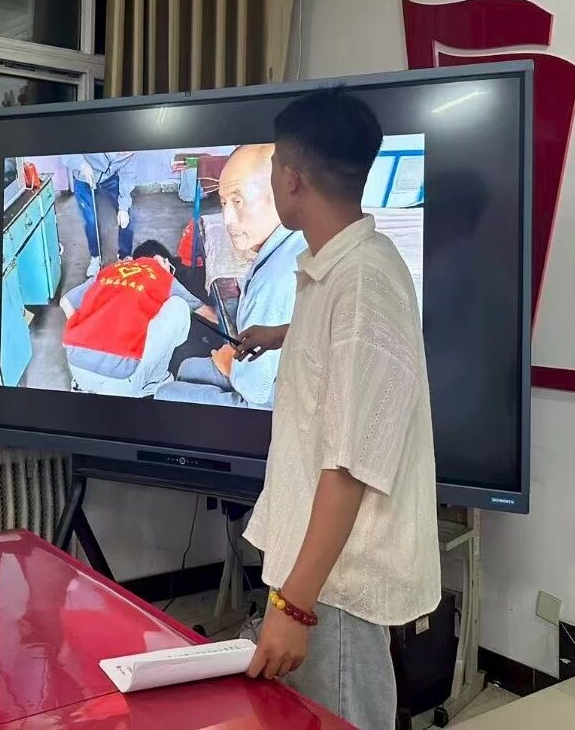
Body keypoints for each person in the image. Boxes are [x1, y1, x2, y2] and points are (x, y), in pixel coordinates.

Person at [237, 90, 440, 730]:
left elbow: (350, 468)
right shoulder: (341, 266)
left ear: (291, 179)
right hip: (318, 565)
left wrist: (293, 608)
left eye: (274, 165)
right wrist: (280, 335)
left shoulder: (362, 285)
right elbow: (339, 354)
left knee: (343, 719)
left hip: (339, 582)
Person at [155, 144, 305, 409]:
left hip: (270, 403)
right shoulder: (299, 238)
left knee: (165, 394)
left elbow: (256, 391)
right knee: (188, 368)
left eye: (238, 201)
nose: (226, 218)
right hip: (279, 372)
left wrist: (230, 365)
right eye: (223, 202)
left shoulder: (272, 282)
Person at [59, 240, 214, 397]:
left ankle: (84, 384)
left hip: (77, 370)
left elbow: (66, 302)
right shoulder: (162, 275)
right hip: (120, 385)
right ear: (163, 260)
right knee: (178, 306)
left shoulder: (110, 270)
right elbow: (206, 312)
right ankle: (155, 380)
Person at [63, 153, 137, 276]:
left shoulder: (131, 153)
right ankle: (95, 257)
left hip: (109, 179)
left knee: (128, 215)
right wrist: (81, 164)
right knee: (90, 219)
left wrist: (123, 208)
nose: (125, 153)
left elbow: (128, 176)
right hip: (84, 179)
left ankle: (124, 256)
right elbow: (65, 154)